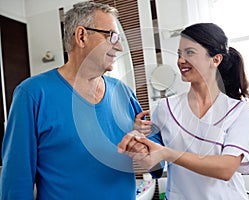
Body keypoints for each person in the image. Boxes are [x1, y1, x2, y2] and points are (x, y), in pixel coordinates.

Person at [1, 1, 146, 199]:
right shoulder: (32, 94)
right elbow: (16, 181)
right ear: (81, 36)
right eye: (112, 36)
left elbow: (155, 159)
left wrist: (146, 151)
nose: (119, 46)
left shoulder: (124, 93)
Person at [118, 23, 249, 200]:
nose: (180, 60)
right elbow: (154, 165)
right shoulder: (165, 108)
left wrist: (167, 153)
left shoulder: (237, 110)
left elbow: (227, 168)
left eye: (190, 52)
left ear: (215, 60)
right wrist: (141, 144)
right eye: (179, 54)